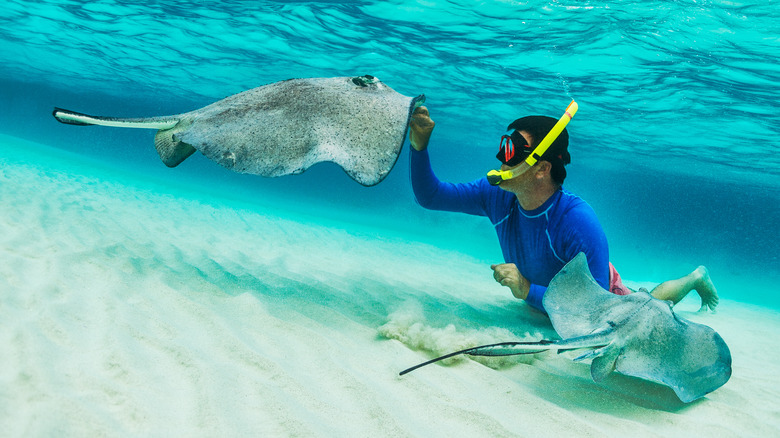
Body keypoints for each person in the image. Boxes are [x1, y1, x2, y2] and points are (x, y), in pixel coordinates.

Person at [408, 106, 719, 313]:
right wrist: (419, 145)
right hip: (554, 306)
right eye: (505, 146)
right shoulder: (496, 196)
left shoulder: (577, 221)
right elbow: (431, 196)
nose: (501, 158)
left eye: (512, 150)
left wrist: (528, 289)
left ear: (542, 168)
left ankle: (694, 277)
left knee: (649, 306)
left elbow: (594, 309)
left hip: (600, 301)